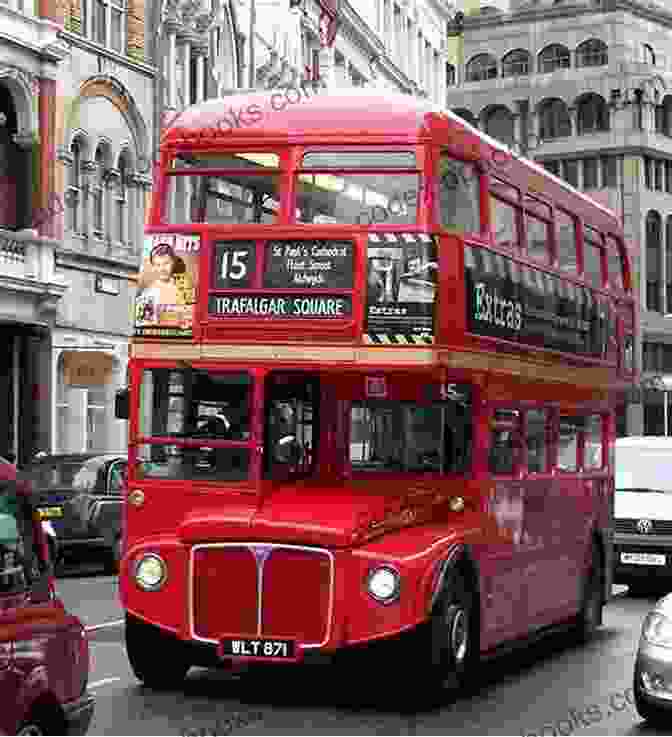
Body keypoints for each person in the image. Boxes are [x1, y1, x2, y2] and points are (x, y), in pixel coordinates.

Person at [135, 243, 194, 326]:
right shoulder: (148, 294)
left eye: (166, 263)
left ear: (173, 263)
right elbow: (145, 324)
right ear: (153, 267)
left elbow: (193, 316)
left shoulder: (185, 286)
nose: (162, 269)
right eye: (158, 265)